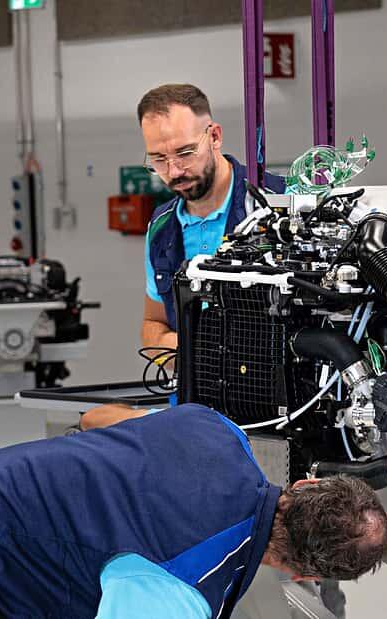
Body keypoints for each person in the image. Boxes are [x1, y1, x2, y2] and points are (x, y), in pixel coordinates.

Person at [0, 403, 387, 619]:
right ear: (304, 573)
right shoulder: (178, 586)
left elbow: (98, 419)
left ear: (304, 484)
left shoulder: (218, 429)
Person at [80, 83, 288, 432]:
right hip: (195, 407)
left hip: (276, 408)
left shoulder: (281, 206)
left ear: (214, 136)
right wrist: (203, 351)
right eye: (159, 160)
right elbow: (153, 326)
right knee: (94, 423)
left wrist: (199, 350)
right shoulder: (162, 228)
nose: (174, 171)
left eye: (185, 152)